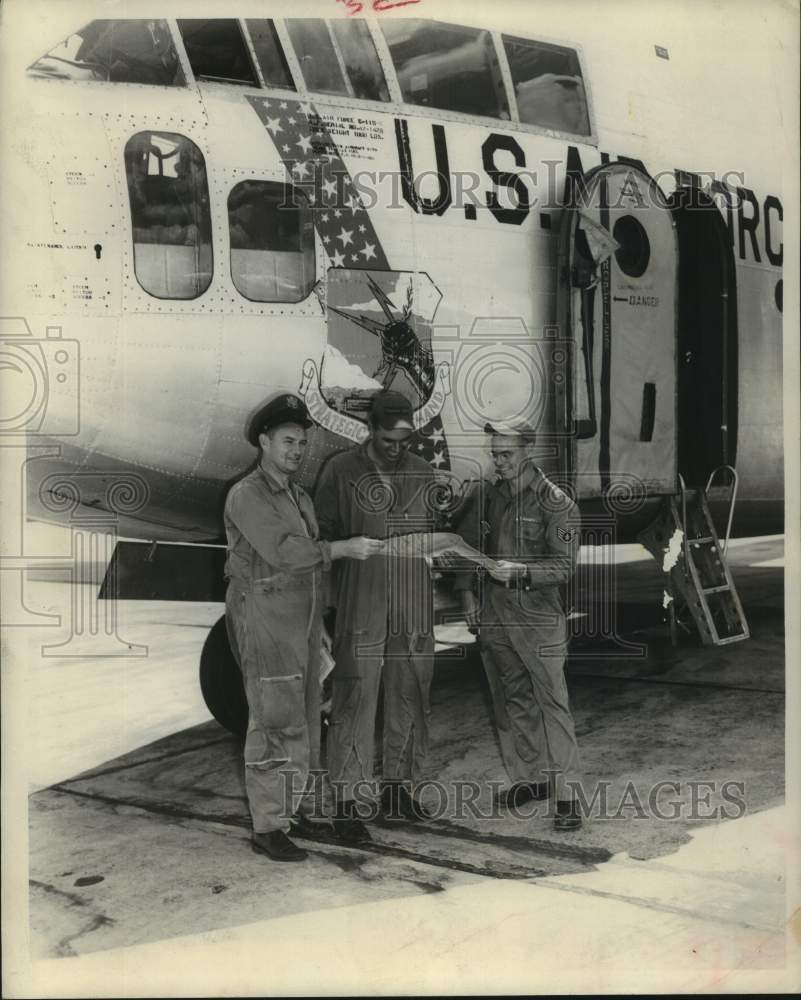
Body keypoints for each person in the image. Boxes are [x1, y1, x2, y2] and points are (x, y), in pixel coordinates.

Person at [224, 393, 382, 862]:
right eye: (288, 441)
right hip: (268, 623)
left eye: (302, 443)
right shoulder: (248, 495)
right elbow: (289, 553)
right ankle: (269, 826)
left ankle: (295, 808)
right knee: (274, 722)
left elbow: (312, 572)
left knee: (306, 720)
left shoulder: (297, 495)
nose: (297, 450)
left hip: (302, 626)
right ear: (263, 442)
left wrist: (322, 624)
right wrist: (342, 548)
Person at [314, 390, 437, 842]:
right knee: (353, 699)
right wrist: (325, 613)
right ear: (371, 428)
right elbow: (320, 542)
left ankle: (400, 790)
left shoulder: (424, 473)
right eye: (388, 437)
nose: (396, 446)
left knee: (411, 695)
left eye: (403, 439)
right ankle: (347, 802)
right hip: (359, 601)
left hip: (412, 603)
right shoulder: (340, 471)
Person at [453, 421, 584, 831]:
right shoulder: (490, 494)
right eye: (495, 453)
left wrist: (522, 572)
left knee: (552, 705)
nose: (500, 461)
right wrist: (468, 595)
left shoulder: (557, 502)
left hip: (538, 617)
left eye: (507, 454)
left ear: (527, 450)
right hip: (495, 615)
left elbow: (565, 566)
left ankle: (567, 798)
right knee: (512, 699)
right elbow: (468, 544)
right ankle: (532, 779)